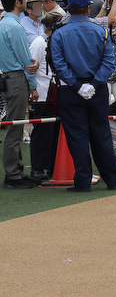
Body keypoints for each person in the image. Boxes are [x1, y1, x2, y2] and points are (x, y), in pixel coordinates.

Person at [49, 0, 116, 192]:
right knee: (101, 134)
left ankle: (83, 181)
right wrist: (95, 83)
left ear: (68, 9)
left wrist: (77, 85)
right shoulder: (100, 31)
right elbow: (109, 61)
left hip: (71, 91)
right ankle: (113, 179)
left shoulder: (59, 33)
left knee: (77, 137)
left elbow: (59, 64)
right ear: (89, 8)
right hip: (97, 89)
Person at [0, 0, 40, 188]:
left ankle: (16, 171)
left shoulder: (4, 23)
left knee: (14, 126)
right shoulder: (14, 26)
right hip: (16, 78)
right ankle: (13, 175)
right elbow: (27, 63)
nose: (27, 0)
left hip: (9, 77)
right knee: (15, 128)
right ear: (17, 2)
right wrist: (33, 86)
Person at [28, 12, 61, 182]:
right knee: (42, 132)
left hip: (54, 93)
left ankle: (50, 165)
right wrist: (33, 88)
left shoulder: (53, 41)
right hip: (42, 94)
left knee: (53, 132)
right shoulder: (40, 42)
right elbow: (31, 65)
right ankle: (37, 168)